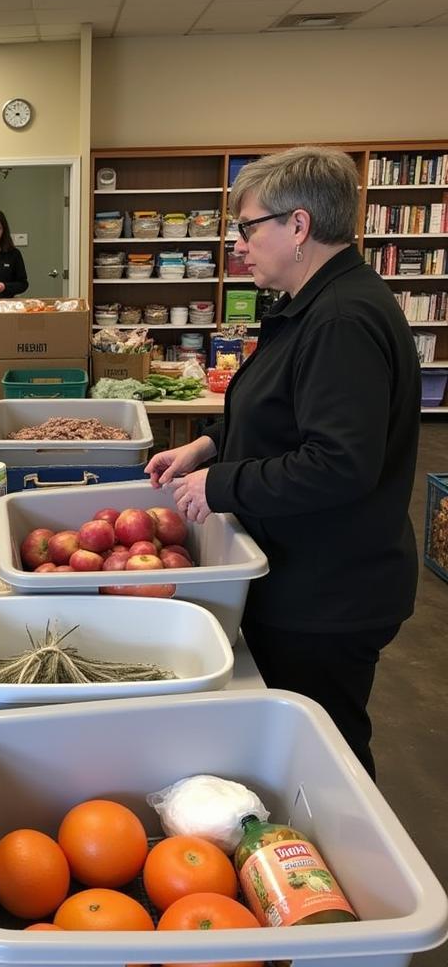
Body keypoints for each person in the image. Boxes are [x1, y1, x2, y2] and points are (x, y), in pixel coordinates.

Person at [145, 145, 420, 780]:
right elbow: (283, 408)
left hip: (330, 591)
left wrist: (222, 483)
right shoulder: (308, 303)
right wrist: (209, 442)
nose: (239, 244)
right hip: (305, 573)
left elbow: (338, 462)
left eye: (247, 227)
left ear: (298, 227)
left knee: (327, 755)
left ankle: (353, 871)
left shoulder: (341, 319)